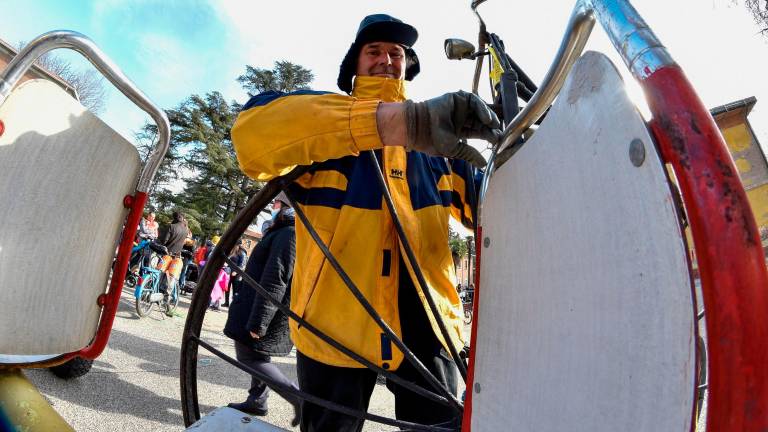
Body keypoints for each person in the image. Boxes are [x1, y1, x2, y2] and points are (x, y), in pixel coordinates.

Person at [231, 13, 500, 430]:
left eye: (397, 53)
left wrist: (518, 147)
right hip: (335, 320)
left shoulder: (439, 148)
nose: (387, 59)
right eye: (373, 51)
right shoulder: (322, 128)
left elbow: (491, 211)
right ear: (353, 65)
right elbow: (250, 135)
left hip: (427, 324)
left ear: (408, 66)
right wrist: (397, 122)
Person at [223, 201, 300, 426]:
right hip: (258, 304)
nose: (273, 207)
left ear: (286, 210)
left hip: (262, 307)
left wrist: (260, 321)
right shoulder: (285, 232)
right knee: (257, 355)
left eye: (277, 204)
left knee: (248, 356)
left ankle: (297, 397)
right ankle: (257, 399)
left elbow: (276, 277)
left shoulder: (289, 233)